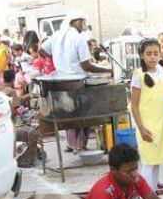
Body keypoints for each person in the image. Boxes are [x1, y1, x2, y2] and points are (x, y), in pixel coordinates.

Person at [41, 10, 112, 153]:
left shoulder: (57, 35)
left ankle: (71, 143)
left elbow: (42, 50)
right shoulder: (78, 39)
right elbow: (86, 65)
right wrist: (107, 71)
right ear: (77, 21)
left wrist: (57, 61)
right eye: (83, 22)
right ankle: (80, 145)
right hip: (77, 81)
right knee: (83, 114)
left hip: (60, 81)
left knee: (68, 113)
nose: (83, 25)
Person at [131, 38, 163, 190]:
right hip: (145, 124)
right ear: (141, 56)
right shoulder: (138, 75)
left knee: (157, 160)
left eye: (155, 53)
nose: (152, 57)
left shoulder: (161, 72)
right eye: (148, 54)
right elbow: (134, 105)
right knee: (148, 161)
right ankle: (146, 196)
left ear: (160, 55)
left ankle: (153, 192)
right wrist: (141, 128)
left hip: (160, 123)